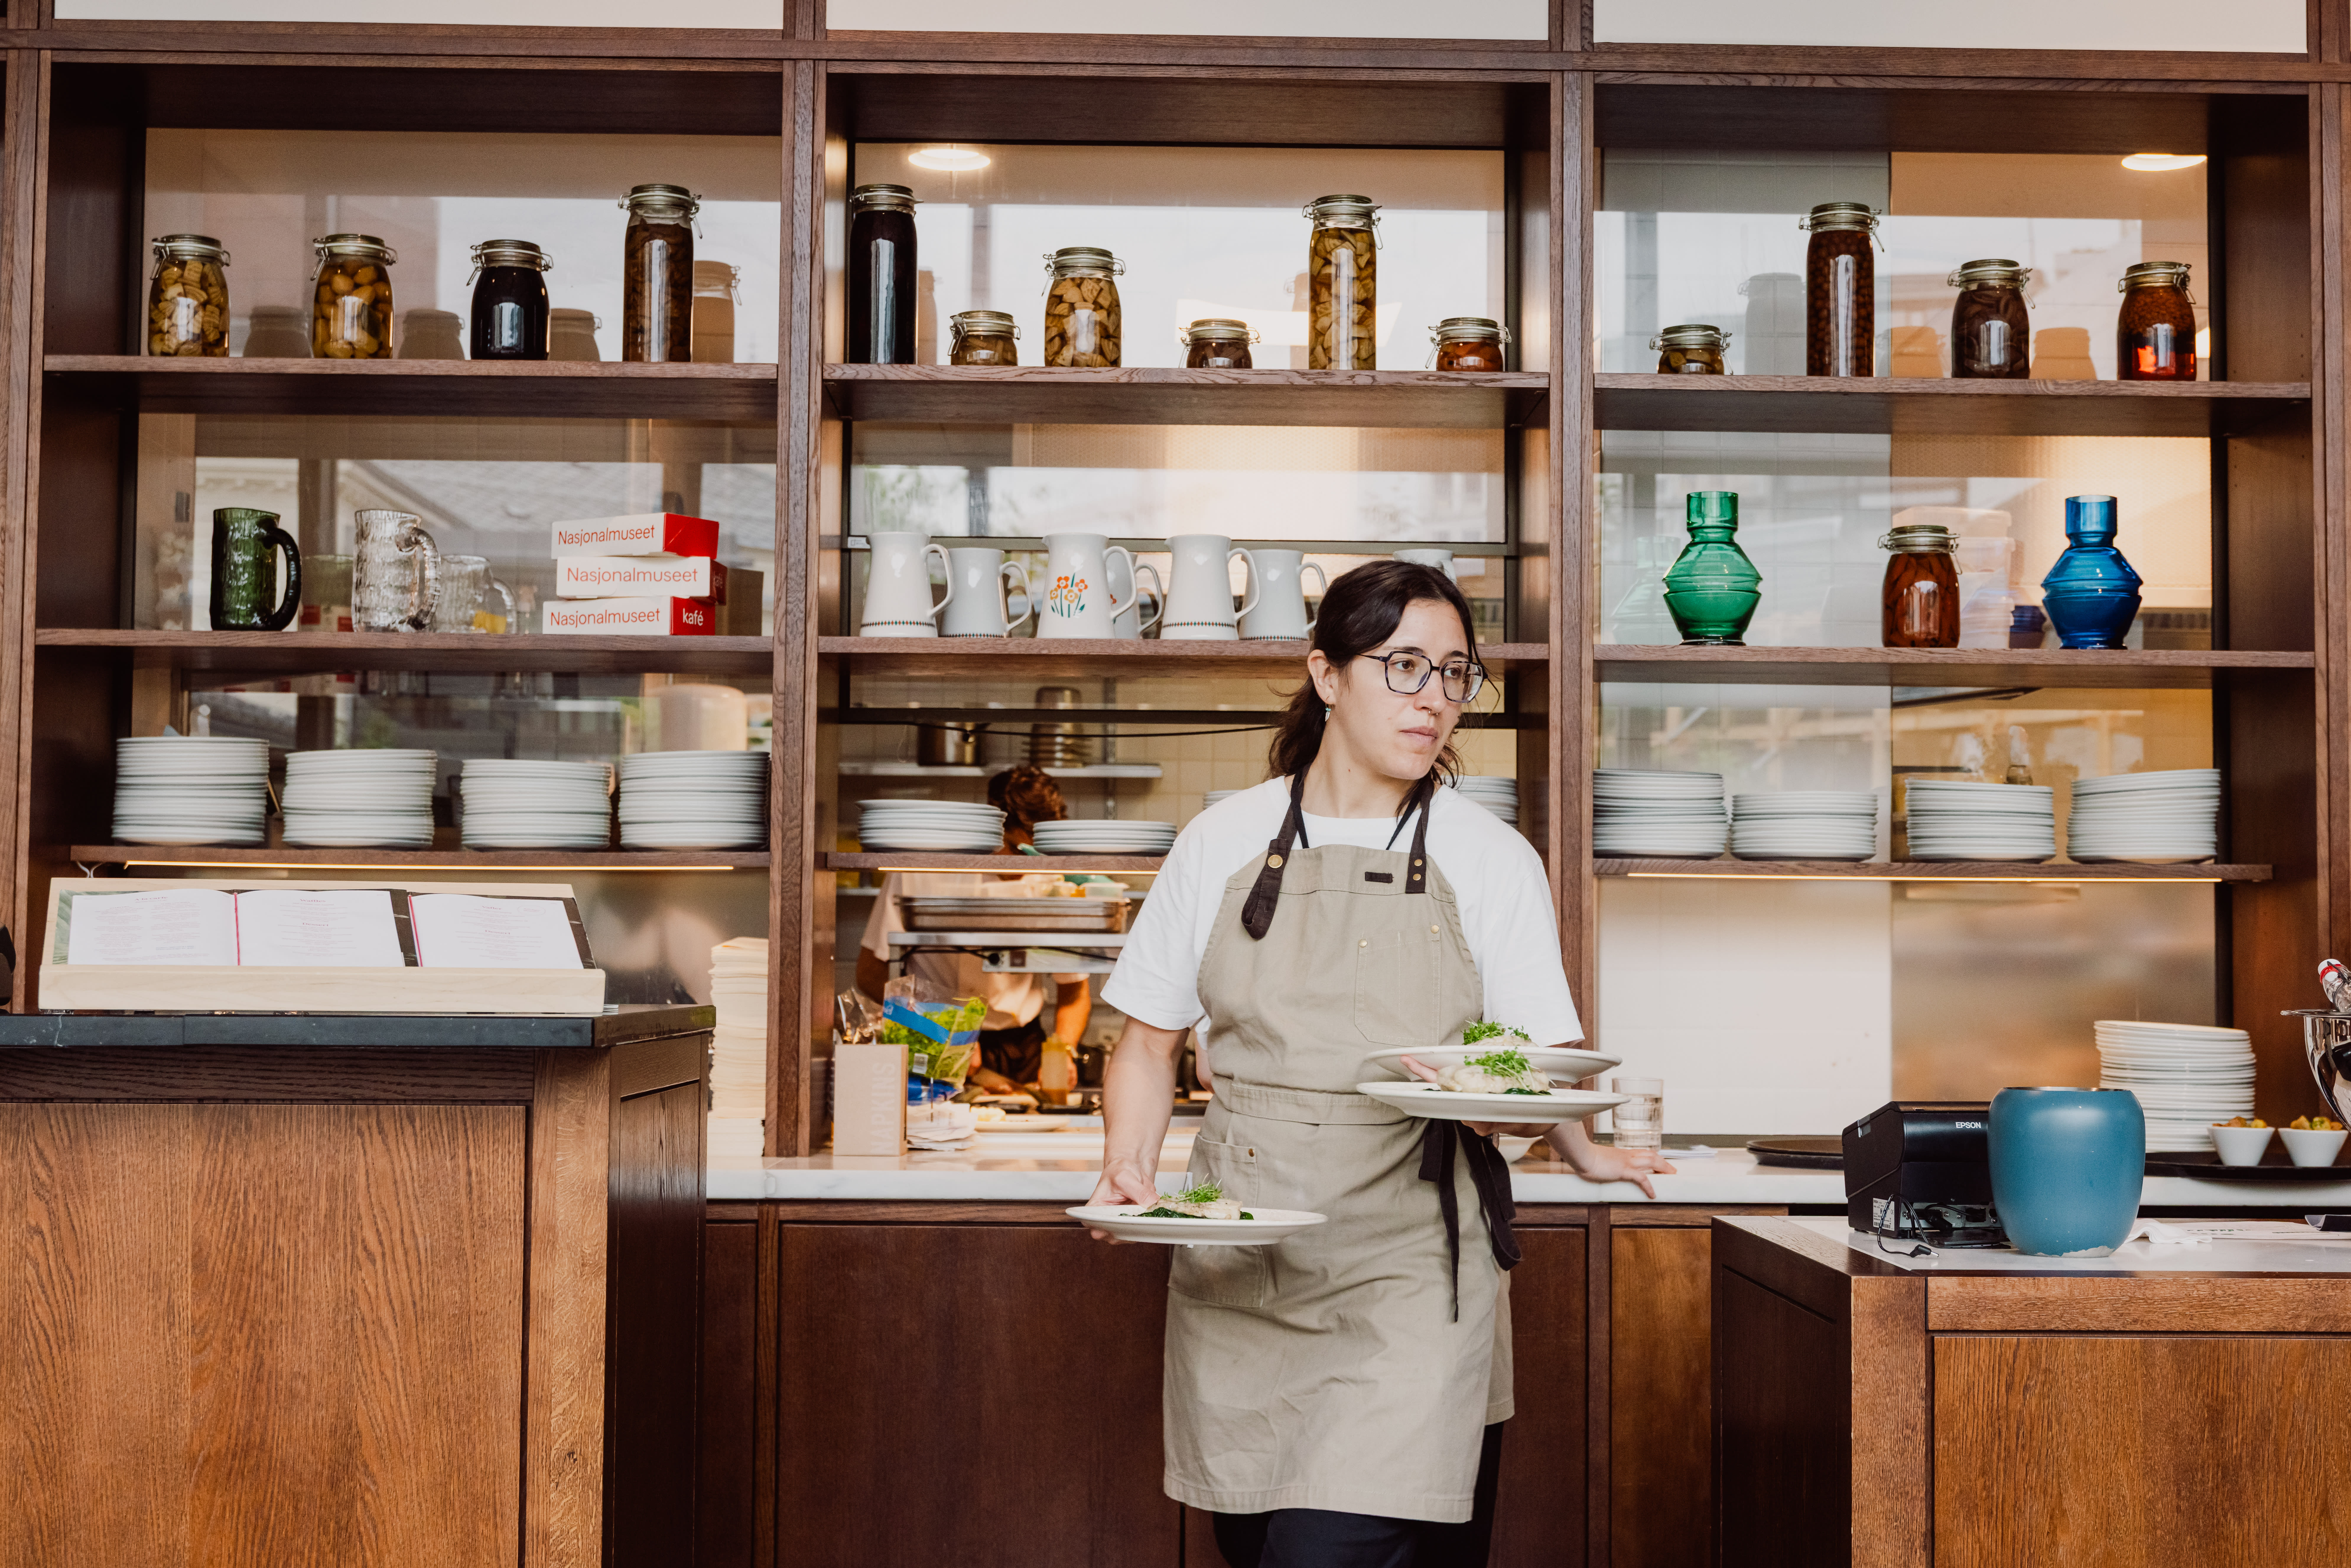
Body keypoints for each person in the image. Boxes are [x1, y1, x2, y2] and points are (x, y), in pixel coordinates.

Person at [1086, 562, 1672, 1566]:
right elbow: (1144, 1039)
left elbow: (1536, 1056)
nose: (1432, 697)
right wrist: (1126, 1167)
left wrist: (1575, 1142)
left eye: (1454, 673)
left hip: (1409, 1263)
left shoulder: (1488, 856)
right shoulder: (1220, 838)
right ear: (1325, 674)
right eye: (1403, 665)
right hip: (1243, 1256)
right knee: (1255, 1537)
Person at [857, 763, 1092, 1091]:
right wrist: (940, 1028)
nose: (1027, 866)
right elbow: (870, 973)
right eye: (1015, 849)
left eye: (1036, 853)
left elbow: (1074, 991)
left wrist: (1064, 1049)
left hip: (1021, 1050)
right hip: (932, 1037)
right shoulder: (923, 865)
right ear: (992, 827)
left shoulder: (1053, 878)